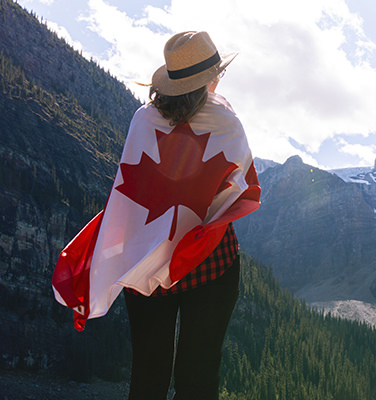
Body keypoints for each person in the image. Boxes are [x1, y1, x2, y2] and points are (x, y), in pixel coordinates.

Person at [120, 31, 251, 400]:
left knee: (147, 372)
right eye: (218, 74)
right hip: (210, 261)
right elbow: (239, 186)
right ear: (209, 79)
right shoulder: (226, 122)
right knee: (199, 374)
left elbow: (128, 188)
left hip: (146, 261)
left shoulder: (143, 120)